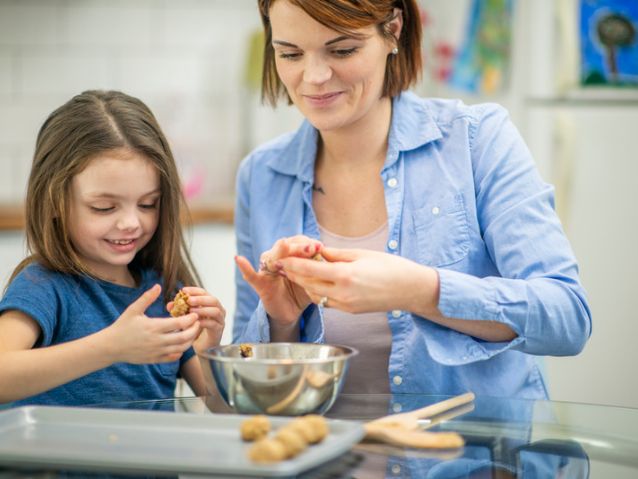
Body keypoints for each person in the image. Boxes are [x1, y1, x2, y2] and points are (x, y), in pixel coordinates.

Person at [233, 0, 591, 398]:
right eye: (290, 53)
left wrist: (419, 290)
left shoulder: (476, 140)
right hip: (314, 457)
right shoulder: (261, 176)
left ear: (394, 30)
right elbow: (246, 380)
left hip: (470, 458)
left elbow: (566, 316)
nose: (314, 76)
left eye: (343, 50)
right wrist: (281, 322)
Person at [0, 90, 225, 406]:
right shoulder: (44, 287)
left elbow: (218, 406)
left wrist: (207, 347)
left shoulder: (166, 291)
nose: (131, 222)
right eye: (104, 207)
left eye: (148, 204)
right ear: (54, 202)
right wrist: (111, 347)